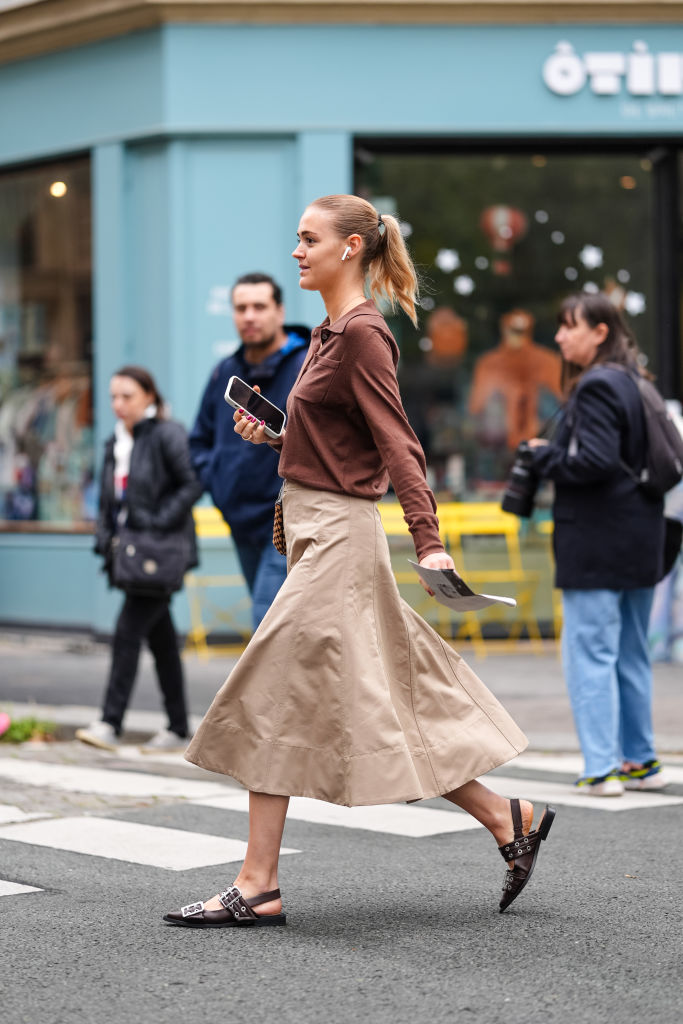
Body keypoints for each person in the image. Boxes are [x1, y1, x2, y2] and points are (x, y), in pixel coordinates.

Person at [163, 195, 554, 929]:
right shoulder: (328, 333)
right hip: (314, 528)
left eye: (308, 240)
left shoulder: (365, 333)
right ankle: (508, 816)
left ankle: (257, 883)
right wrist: (280, 438)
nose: (296, 251)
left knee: (265, 688)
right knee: (391, 698)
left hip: (340, 539)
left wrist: (428, 538)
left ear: (349, 248)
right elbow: (345, 444)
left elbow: (398, 444)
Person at [526, 292, 667, 795]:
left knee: (589, 651)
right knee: (629, 650)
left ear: (600, 332)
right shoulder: (637, 382)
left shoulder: (596, 386)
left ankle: (602, 767)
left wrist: (543, 458)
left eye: (570, 326)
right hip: (640, 536)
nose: (561, 336)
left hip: (597, 538)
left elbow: (596, 463)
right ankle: (640, 761)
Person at [76, 366, 201, 753]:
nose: (119, 404)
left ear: (149, 396)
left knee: (128, 632)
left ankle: (110, 723)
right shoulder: (116, 441)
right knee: (161, 641)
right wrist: (103, 538)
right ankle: (178, 727)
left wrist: (155, 522)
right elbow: (109, 500)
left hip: (159, 554)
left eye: (127, 396)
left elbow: (193, 483)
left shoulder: (167, 433)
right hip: (129, 555)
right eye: (113, 396)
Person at [189, 273, 309, 630]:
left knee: (266, 623)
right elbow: (199, 441)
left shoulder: (306, 365)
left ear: (280, 311)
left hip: (287, 520)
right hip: (240, 522)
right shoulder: (225, 372)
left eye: (259, 306)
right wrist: (218, 483)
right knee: (284, 631)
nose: (249, 316)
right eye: (241, 308)